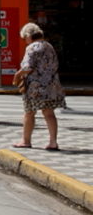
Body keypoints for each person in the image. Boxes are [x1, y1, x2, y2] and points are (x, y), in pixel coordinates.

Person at [11, 22, 66, 151]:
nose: (25, 41)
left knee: (29, 113)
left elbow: (27, 67)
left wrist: (17, 75)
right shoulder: (49, 46)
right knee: (49, 113)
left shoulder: (31, 47)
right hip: (51, 85)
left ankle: (25, 140)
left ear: (28, 36)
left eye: (25, 38)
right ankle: (53, 142)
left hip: (35, 87)